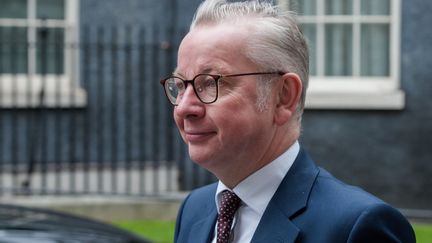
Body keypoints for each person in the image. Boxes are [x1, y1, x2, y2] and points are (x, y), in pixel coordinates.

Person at [160, 0, 416, 242]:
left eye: (211, 83)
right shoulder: (194, 210)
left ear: (283, 96)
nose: (184, 108)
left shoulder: (357, 227)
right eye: (181, 85)